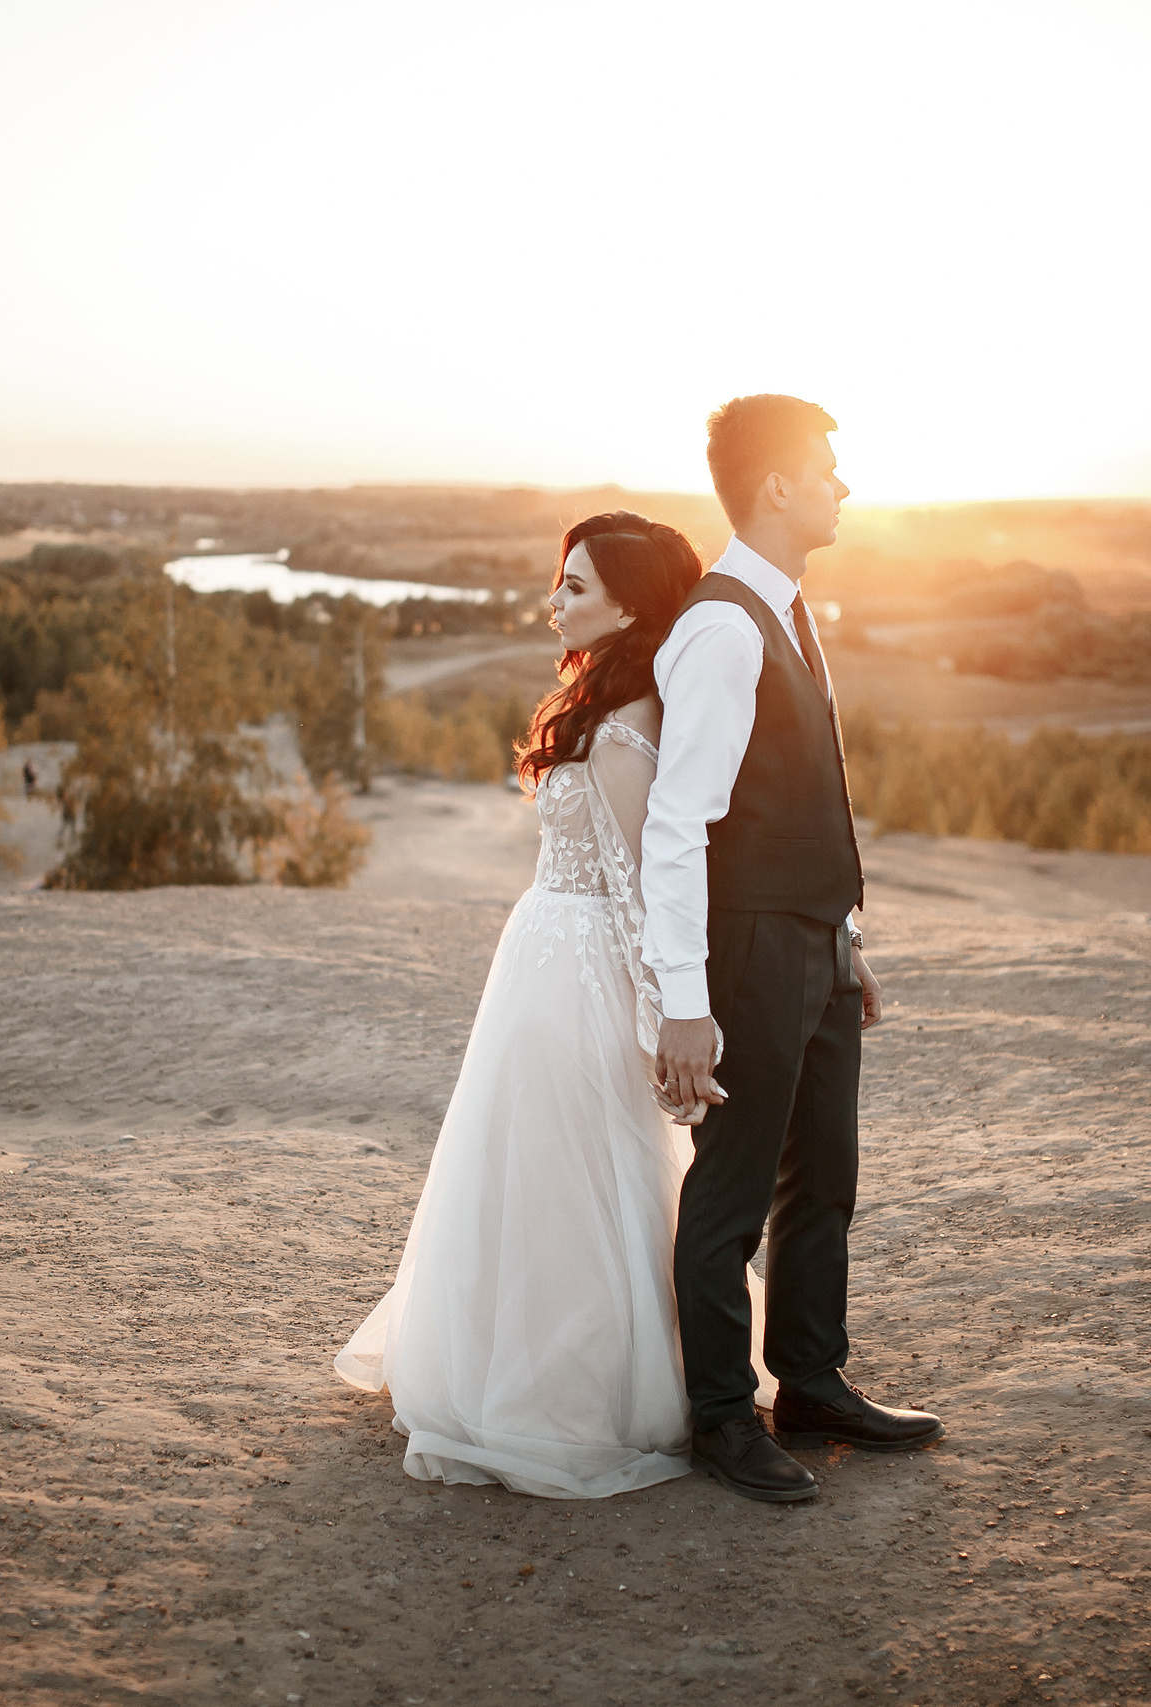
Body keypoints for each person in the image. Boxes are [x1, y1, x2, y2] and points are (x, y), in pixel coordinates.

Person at [334, 511, 730, 1498]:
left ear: (633, 604)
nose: (555, 601)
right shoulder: (596, 699)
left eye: (577, 587)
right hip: (542, 959)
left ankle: (575, 1396)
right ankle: (501, 1363)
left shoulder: (631, 727)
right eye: (559, 582)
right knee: (523, 1168)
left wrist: (667, 1025)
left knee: (581, 1172)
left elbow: (650, 887)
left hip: (585, 970)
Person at [644, 395, 944, 1504]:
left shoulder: (788, 610)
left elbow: (804, 796)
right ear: (774, 486)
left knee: (825, 1178)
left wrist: (845, 935)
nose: (842, 486)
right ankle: (722, 1418)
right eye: (826, 467)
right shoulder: (723, 627)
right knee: (729, 1194)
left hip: (813, 941)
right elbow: (679, 827)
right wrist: (684, 999)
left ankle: (810, 1381)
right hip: (748, 946)